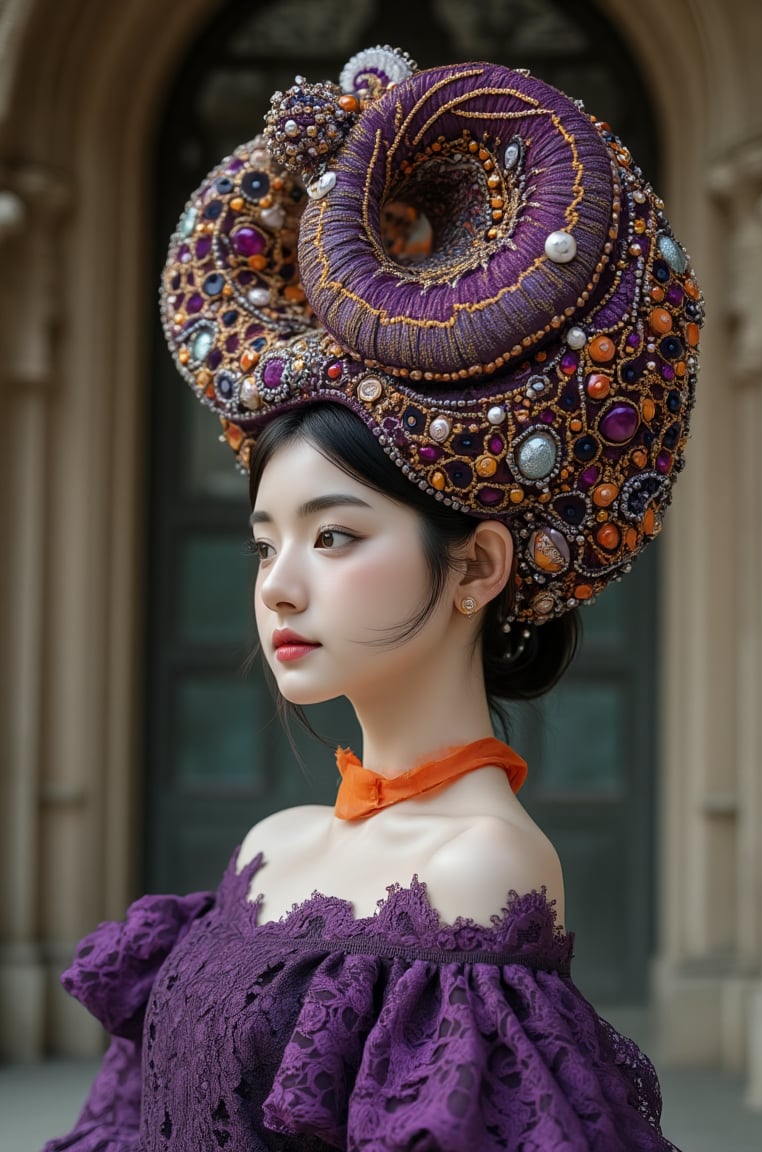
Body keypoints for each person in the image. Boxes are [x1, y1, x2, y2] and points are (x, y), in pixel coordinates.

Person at [44, 46, 700, 1151]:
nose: (280, 585)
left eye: (335, 536)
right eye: (265, 545)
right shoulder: (270, 849)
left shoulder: (482, 871)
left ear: (477, 567)